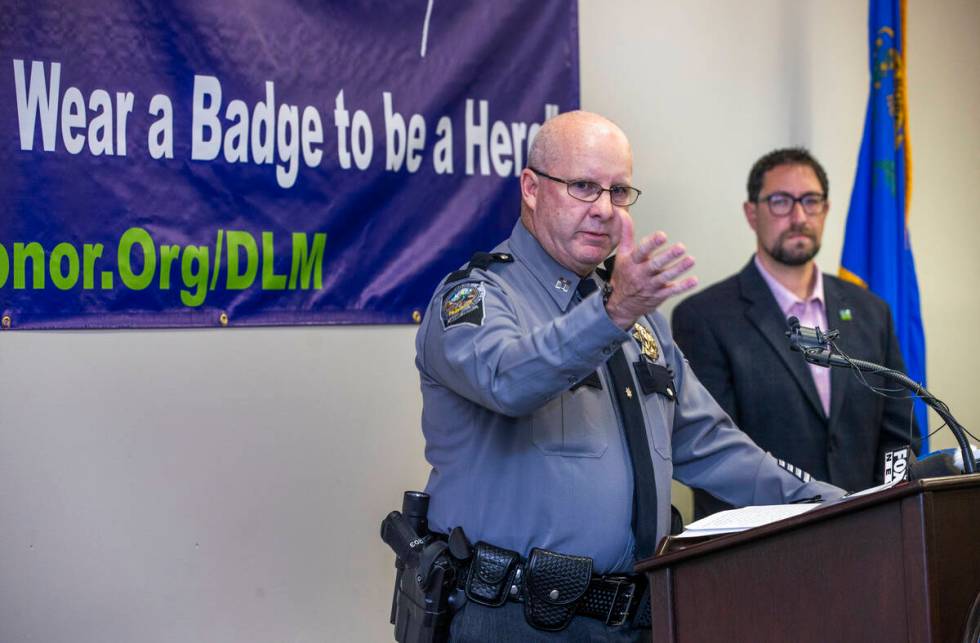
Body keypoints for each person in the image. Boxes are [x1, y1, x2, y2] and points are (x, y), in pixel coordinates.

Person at [414, 113, 844, 642]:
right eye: (582, 187)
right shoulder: (476, 297)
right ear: (531, 188)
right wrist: (613, 313)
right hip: (513, 619)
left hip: (634, 618)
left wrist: (835, 505)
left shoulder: (634, 316)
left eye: (618, 192)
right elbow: (510, 381)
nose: (603, 209)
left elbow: (710, 443)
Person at [671, 147, 914, 520]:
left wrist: (886, 516)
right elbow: (712, 453)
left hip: (870, 537)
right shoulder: (704, 317)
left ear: (826, 209)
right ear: (752, 213)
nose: (799, 216)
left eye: (810, 201)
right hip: (761, 546)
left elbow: (898, 436)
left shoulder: (871, 311)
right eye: (781, 202)